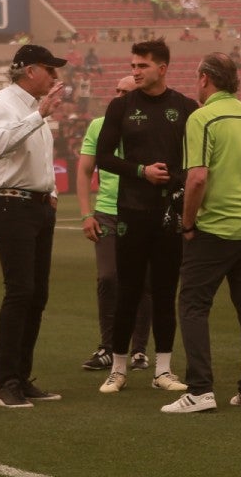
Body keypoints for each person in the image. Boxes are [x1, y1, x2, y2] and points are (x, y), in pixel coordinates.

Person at [161, 52, 241, 413]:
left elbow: (197, 177)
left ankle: (200, 390)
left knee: (193, 305)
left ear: (204, 79)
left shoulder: (202, 118)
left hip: (215, 227)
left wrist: (187, 223)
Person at [94, 39, 198, 395]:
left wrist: (178, 183)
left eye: (143, 66)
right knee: (128, 291)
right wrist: (142, 171)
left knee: (166, 293)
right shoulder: (121, 106)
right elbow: (103, 157)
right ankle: (118, 369)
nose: (135, 72)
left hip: (169, 215)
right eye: (133, 66)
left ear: (162, 68)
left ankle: (163, 370)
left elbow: (197, 160)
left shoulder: (185, 107)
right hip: (131, 212)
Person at [0, 44, 68, 409]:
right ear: (30, 70)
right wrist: (39, 116)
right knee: (20, 292)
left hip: (36, 206)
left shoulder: (32, 108)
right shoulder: (4, 102)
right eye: (50, 69)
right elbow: (0, 145)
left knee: (36, 295)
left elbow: (38, 161)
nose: (55, 76)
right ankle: (7, 383)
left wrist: (51, 194)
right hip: (11, 205)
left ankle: (21, 377)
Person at [76, 75, 153, 373]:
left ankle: (139, 350)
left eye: (125, 92)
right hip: (107, 212)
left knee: (143, 282)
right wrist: (87, 214)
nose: (118, 95)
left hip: (140, 210)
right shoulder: (98, 125)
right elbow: (84, 171)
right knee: (108, 277)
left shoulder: (149, 125)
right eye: (117, 90)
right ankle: (107, 347)